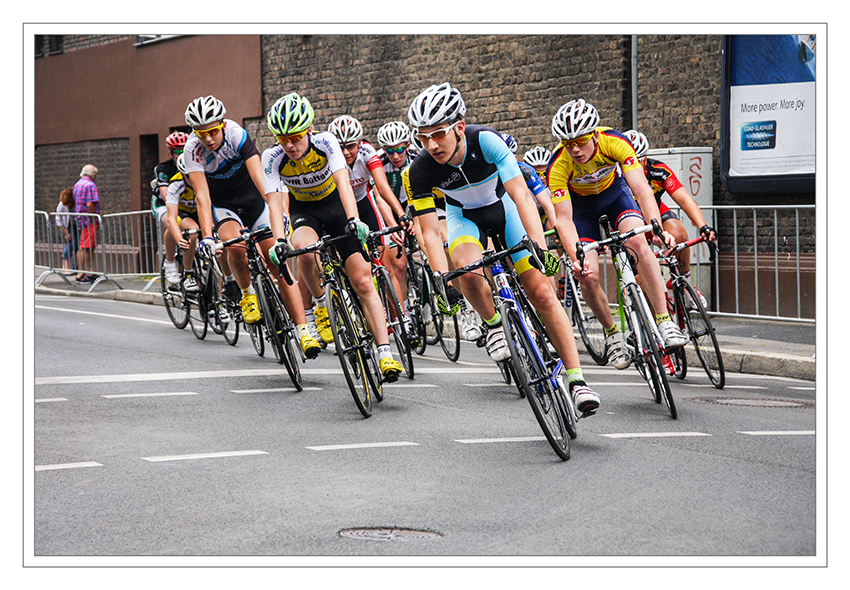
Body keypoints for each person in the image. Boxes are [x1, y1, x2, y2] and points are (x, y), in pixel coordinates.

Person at [405, 82, 599, 413]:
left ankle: (577, 380)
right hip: (463, 217)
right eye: (423, 137)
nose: (431, 144)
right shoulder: (419, 171)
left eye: (438, 134)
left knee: (541, 292)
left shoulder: (487, 141)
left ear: (459, 127)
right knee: (464, 271)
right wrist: (440, 276)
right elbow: (430, 232)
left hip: (505, 208)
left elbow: (522, 195)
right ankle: (494, 325)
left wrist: (538, 246)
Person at [262, 92, 403, 382]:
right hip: (306, 211)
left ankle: (385, 353)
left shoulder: (326, 143)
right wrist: (278, 239)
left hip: (337, 207)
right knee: (302, 247)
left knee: (363, 281)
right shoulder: (273, 158)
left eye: (296, 137)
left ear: (309, 131)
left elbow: (343, 182)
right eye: (282, 138)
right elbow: (275, 203)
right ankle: (322, 305)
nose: (289, 145)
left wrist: (353, 220)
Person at [547, 98, 687, 371]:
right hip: (582, 210)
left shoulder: (615, 142)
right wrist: (576, 253)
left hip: (616, 197)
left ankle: (663, 320)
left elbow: (642, 188)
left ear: (595, 135)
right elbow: (563, 219)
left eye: (581, 141)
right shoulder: (558, 165)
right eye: (568, 144)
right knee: (587, 274)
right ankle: (613, 335)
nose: (575, 150)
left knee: (637, 241)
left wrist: (655, 226)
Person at [182, 95, 320, 359]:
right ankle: (247, 294)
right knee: (235, 245)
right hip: (224, 206)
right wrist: (208, 236)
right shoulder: (192, 150)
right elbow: (202, 196)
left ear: (222, 124)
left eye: (212, 131)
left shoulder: (236, 134)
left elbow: (261, 179)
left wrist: (279, 215)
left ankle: (303, 330)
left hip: (254, 199)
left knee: (277, 262)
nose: (208, 139)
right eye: (202, 134)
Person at [624, 129, 717, 308]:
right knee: (643, 284)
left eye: (639, 160)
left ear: (645, 159)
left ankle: (684, 281)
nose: (634, 167)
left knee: (680, 232)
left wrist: (703, 226)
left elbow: (684, 199)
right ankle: (655, 327)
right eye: (629, 163)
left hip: (656, 214)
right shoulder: (615, 179)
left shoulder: (658, 171)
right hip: (630, 223)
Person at [153, 131, 189, 286]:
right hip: (163, 203)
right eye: (178, 151)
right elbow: (167, 195)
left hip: (186, 204)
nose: (182, 154)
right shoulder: (163, 168)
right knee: (171, 220)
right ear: (170, 153)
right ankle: (169, 261)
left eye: (185, 150)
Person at [164, 154, 202, 291]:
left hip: (200, 212)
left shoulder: (205, 179)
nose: (191, 180)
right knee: (192, 231)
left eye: (193, 175)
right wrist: (180, 240)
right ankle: (188, 274)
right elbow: (171, 218)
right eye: (187, 176)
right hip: (182, 213)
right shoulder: (176, 184)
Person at [73, 164, 100, 284]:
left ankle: (89, 271)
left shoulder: (77, 185)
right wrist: (93, 217)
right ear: (92, 174)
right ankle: (81, 273)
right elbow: (90, 204)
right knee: (85, 246)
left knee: (88, 246)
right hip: (88, 219)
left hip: (80, 218)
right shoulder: (90, 185)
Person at [56, 188, 77, 274]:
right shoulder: (62, 204)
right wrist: (65, 232)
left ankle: (76, 267)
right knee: (71, 243)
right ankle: (65, 263)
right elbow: (58, 218)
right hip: (69, 226)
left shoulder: (76, 202)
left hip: (78, 225)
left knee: (78, 245)